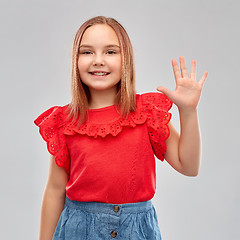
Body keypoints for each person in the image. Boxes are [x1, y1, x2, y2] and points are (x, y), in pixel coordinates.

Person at [34, 16, 208, 240]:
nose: (98, 60)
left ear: (127, 59)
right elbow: (55, 191)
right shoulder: (65, 121)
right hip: (78, 231)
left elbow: (189, 166)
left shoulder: (146, 113)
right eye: (87, 52)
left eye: (110, 51)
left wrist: (188, 111)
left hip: (136, 230)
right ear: (75, 60)